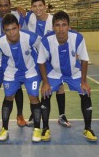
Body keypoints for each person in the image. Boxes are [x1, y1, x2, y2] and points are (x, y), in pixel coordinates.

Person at [38, 10, 97, 142]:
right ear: (53, 27)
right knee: (46, 92)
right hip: (55, 72)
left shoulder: (78, 38)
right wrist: (45, 82)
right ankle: (45, 128)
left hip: (74, 73)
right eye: (57, 25)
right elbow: (41, 62)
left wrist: (84, 81)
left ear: (69, 27)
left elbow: (84, 59)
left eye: (64, 25)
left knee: (85, 91)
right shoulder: (46, 40)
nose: (61, 29)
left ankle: (88, 128)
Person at [0, 13, 42, 142]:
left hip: (30, 71)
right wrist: (3, 75)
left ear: (19, 27)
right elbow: (0, 58)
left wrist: (40, 72)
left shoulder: (31, 38)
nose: (12, 33)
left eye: (14, 29)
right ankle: (4, 128)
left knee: (33, 97)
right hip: (11, 72)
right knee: (8, 97)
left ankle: (37, 129)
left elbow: (42, 51)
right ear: (4, 30)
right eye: (8, 30)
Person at [25, 0, 69, 128]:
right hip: (35, 58)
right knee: (35, 86)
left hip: (51, 58)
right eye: (34, 6)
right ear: (32, 8)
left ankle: (61, 115)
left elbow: (67, 32)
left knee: (59, 86)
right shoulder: (29, 17)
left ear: (45, 6)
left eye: (40, 5)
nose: (37, 8)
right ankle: (35, 113)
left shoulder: (53, 20)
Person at [0, 0, 27, 127]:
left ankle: (20, 114)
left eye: (6, 5)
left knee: (17, 89)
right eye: (0, 5)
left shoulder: (18, 15)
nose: (3, 8)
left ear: (10, 5)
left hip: (14, 61)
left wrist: (18, 7)